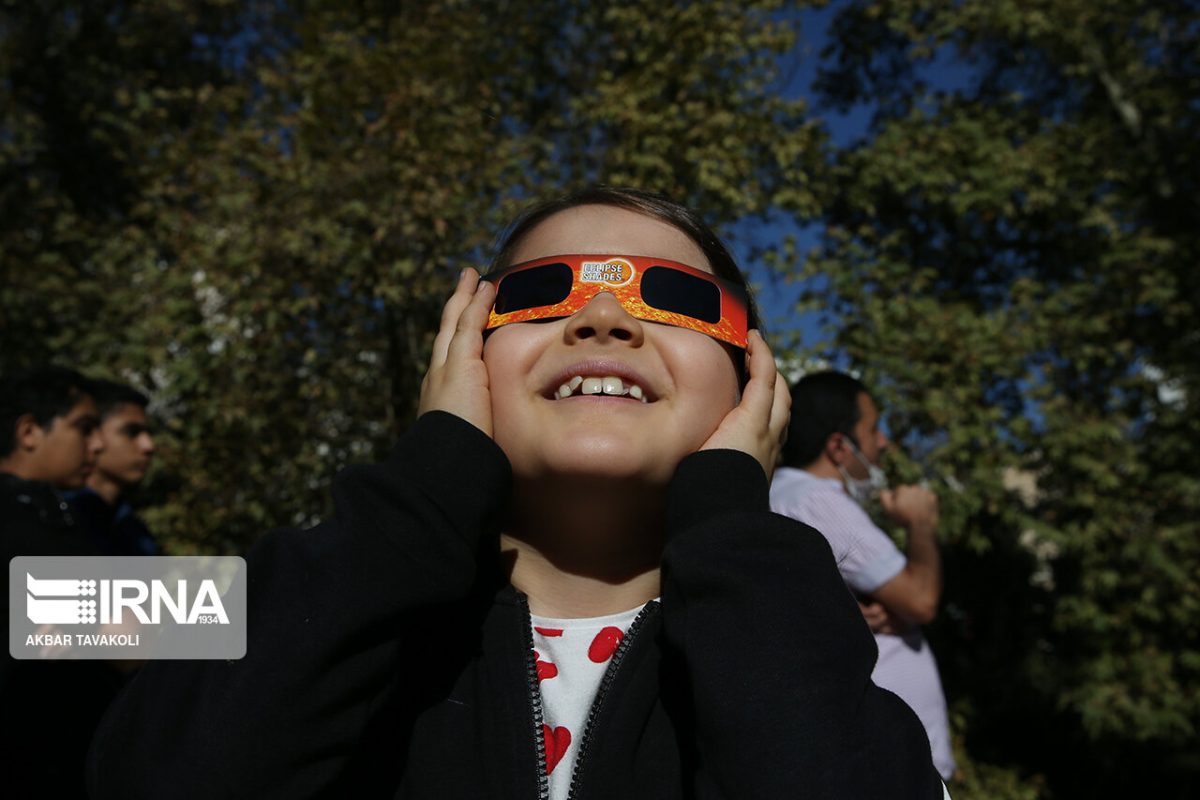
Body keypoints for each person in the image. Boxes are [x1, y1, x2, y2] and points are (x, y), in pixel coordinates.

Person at [89, 187, 946, 798]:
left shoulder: (800, 629)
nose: (604, 317)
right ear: (460, 352)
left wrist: (732, 522)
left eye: (675, 296)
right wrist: (427, 488)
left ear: (753, 381)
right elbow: (118, 725)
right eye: (541, 291)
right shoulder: (315, 579)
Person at [769, 370, 956, 779]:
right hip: (887, 768)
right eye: (873, 430)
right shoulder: (818, 501)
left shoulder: (783, 496)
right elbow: (920, 599)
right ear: (839, 446)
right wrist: (920, 523)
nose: (882, 443)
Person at [0, 366, 121, 797]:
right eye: (84, 428)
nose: (98, 444)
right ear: (30, 432)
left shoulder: (61, 515)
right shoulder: (22, 518)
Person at [67, 379, 159, 556]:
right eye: (131, 432)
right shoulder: (50, 519)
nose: (148, 445)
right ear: (93, 434)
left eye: (149, 433)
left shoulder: (134, 532)